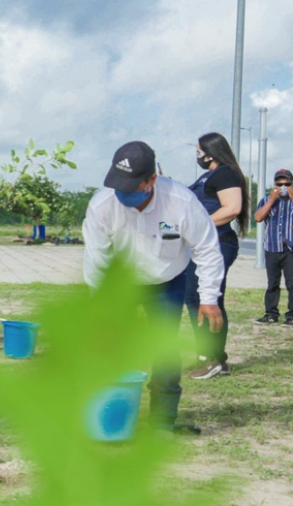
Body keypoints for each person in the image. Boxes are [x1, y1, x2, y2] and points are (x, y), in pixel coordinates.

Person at [83, 140, 225, 434]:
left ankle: (162, 423)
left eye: (130, 187)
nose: (122, 193)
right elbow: (97, 259)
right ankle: (111, 415)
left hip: (167, 282)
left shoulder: (181, 202)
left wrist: (209, 297)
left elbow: (207, 249)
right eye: (118, 185)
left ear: (151, 180)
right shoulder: (102, 204)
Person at [185, 133, 248, 380]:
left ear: (210, 152)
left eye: (198, 150)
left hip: (217, 244)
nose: (197, 155)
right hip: (201, 245)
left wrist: (199, 227)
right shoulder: (209, 175)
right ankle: (206, 356)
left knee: (207, 300)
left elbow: (232, 209)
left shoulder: (224, 173)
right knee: (195, 299)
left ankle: (214, 359)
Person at [253, 168, 293, 326]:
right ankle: (271, 314)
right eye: (279, 183)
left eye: (287, 184)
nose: (283, 186)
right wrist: (271, 199)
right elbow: (258, 217)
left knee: (292, 283)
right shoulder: (266, 200)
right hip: (272, 247)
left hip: (290, 248)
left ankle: (291, 316)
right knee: (272, 283)